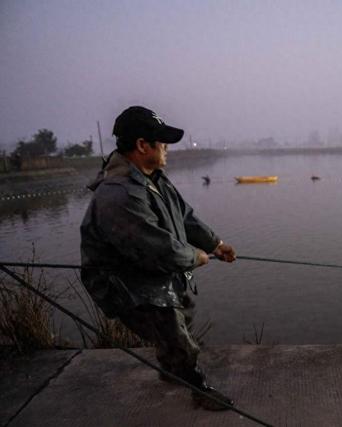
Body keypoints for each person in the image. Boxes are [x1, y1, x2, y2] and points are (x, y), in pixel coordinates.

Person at [80, 106, 236, 411]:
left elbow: (186, 217)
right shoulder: (118, 194)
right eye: (161, 142)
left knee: (184, 310)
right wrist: (197, 257)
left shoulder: (155, 178)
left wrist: (216, 244)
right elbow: (156, 249)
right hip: (124, 281)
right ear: (142, 145)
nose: (167, 148)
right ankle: (198, 386)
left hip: (153, 269)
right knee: (175, 333)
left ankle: (170, 370)